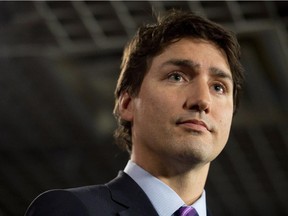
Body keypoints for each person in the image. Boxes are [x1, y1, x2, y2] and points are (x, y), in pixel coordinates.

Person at [25, 9, 244, 216]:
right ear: (127, 103)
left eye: (218, 87)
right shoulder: (73, 210)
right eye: (177, 76)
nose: (202, 100)